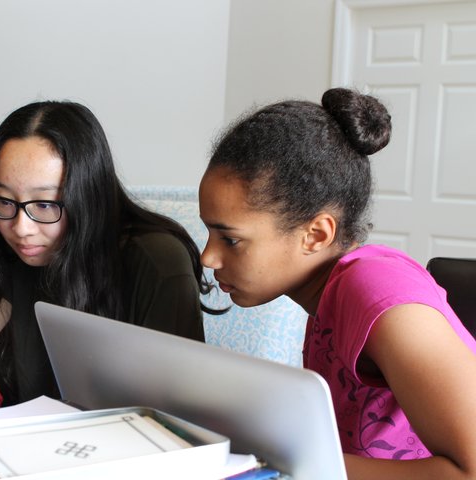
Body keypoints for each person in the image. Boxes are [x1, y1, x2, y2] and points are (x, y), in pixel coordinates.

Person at [198, 87, 476, 479]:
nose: (207, 258)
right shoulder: (326, 299)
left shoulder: (377, 292)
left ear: (316, 234)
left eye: (230, 239)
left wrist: (287, 461)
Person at [0, 100, 210, 406]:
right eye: (3, 200)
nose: (21, 227)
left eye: (45, 204)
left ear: (88, 196)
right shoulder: (5, 250)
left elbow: (176, 414)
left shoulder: (157, 261)